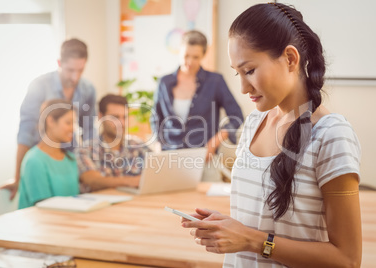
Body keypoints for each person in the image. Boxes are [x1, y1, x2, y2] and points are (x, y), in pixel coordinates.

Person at [182, 3, 362, 267]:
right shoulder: (254, 123)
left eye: (250, 71)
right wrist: (228, 227)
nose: (243, 88)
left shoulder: (332, 135)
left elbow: (346, 260)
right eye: (237, 73)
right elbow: (255, 222)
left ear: (290, 58)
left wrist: (251, 240)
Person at [1, 38, 96, 200]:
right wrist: (18, 177)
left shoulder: (88, 89)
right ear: (59, 63)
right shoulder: (39, 86)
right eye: (70, 70)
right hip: (42, 159)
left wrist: (91, 170)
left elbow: (88, 133)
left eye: (80, 70)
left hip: (67, 158)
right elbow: (26, 131)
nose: (75, 77)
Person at [151, 30, 244, 161]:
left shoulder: (215, 81)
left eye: (195, 57)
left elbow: (236, 116)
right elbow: (155, 117)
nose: (189, 61)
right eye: (186, 55)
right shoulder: (164, 83)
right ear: (179, 52)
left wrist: (215, 142)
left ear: (203, 55)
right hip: (170, 156)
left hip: (203, 155)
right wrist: (157, 143)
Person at [75, 94, 149, 192]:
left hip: (137, 204)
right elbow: (93, 180)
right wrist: (131, 181)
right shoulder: (86, 150)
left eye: (124, 117)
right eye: (115, 117)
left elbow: (159, 172)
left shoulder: (138, 146)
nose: (121, 123)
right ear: (101, 116)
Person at [18, 99, 79, 209]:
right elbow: (44, 206)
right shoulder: (34, 161)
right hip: (40, 223)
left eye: (74, 123)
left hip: (68, 220)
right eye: (68, 122)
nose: (73, 128)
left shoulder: (70, 159)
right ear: (50, 121)